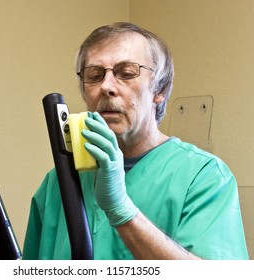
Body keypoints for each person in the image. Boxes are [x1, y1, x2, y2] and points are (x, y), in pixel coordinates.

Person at [23, 22, 248, 259]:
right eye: (94, 75)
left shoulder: (204, 177)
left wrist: (121, 209)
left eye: (127, 73)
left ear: (160, 89)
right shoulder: (59, 182)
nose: (106, 86)